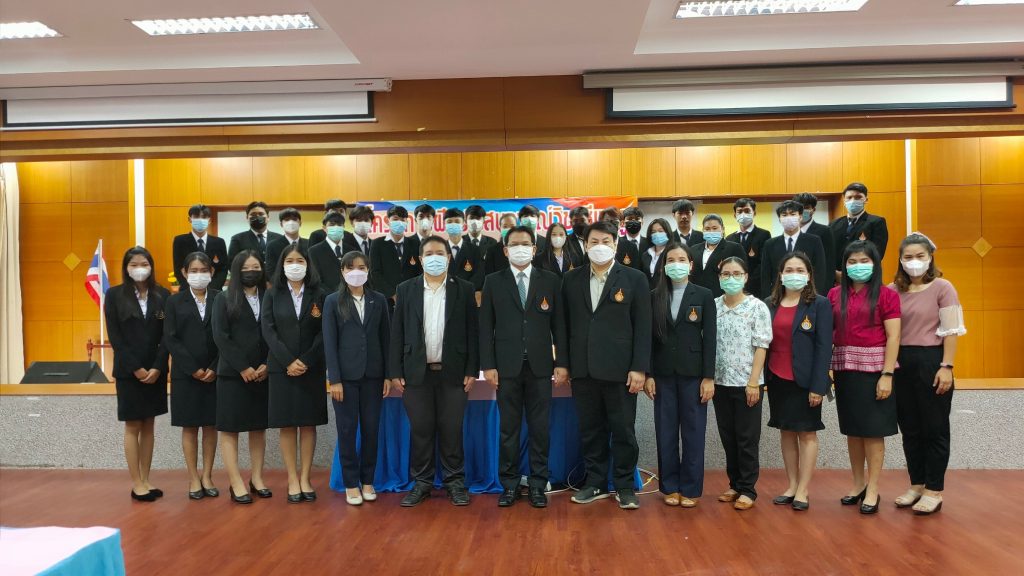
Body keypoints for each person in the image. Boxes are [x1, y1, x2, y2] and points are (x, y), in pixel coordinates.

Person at [562, 221, 652, 510]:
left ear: (615, 244)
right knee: (591, 430)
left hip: (621, 370)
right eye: (594, 242)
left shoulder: (635, 278)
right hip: (583, 369)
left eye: (605, 241)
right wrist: (564, 364)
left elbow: (643, 326)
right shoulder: (571, 279)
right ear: (585, 245)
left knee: (623, 431)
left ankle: (624, 486)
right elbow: (564, 326)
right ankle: (596, 482)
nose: (599, 246)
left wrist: (639, 367)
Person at [480, 226, 569, 509]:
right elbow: (485, 327)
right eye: (514, 244)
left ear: (534, 249)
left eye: (525, 244)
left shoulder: (550, 280)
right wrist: (488, 365)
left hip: (541, 367)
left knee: (540, 429)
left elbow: (560, 326)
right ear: (506, 250)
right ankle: (508, 485)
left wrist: (562, 363)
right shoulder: (493, 281)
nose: (520, 248)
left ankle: (538, 484)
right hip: (506, 367)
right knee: (508, 430)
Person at [389, 236, 479, 507]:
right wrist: (395, 370)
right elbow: (397, 332)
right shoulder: (406, 289)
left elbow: (473, 332)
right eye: (429, 253)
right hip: (416, 372)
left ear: (449, 258)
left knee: (452, 429)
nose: (434, 257)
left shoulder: (464, 288)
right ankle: (422, 483)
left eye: (440, 253)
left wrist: (472, 369)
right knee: (421, 429)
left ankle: (455, 482)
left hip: (454, 371)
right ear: (420, 258)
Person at [890, 233, 965, 515]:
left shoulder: (943, 287)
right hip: (900, 362)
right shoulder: (892, 290)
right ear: (900, 260)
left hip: (931, 361)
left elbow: (951, 330)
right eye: (908, 257)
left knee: (934, 428)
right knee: (910, 428)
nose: (914, 261)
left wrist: (947, 366)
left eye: (920, 256)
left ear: (930, 257)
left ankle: (934, 489)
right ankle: (917, 484)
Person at [829, 240, 901, 515]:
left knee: (872, 431)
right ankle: (858, 483)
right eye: (852, 262)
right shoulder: (835, 294)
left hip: (875, 371)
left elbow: (894, 336)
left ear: (875, 264)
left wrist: (887, 374)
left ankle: (873, 487)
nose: (857, 266)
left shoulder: (887, 295)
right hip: (845, 369)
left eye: (864, 261)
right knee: (853, 430)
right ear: (844, 266)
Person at [646, 242, 716, 509]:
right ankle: (670, 486)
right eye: (671, 260)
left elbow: (710, 338)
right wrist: (649, 374)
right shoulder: (654, 295)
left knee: (693, 433)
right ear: (664, 266)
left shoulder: (704, 295)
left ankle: (690, 488)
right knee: (665, 433)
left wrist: (708, 377)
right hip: (662, 374)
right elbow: (648, 339)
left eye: (681, 259)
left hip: (694, 375)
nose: (676, 264)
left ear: (690, 264)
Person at [765, 252, 833, 512]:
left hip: (806, 381)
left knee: (806, 433)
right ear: (781, 275)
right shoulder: (769, 303)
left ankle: (803, 489)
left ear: (809, 275)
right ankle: (792, 485)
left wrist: (819, 385)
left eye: (800, 270)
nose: (794, 274)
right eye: (789, 270)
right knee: (786, 431)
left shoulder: (819, 304)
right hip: (777, 377)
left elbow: (824, 347)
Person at [323, 251, 391, 506]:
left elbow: (386, 339)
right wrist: (334, 379)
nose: (356, 272)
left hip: (374, 376)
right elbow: (330, 342)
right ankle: (351, 483)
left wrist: (388, 375)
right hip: (345, 379)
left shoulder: (378, 300)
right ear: (342, 271)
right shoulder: (332, 301)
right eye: (350, 267)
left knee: (372, 430)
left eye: (361, 267)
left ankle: (368, 481)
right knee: (347, 430)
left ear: (368, 270)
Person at [262, 243, 327, 504]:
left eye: (300, 261)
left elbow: (324, 331)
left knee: (308, 424)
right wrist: (288, 360)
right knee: (287, 425)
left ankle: (306, 478)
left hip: (311, 368)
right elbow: (268, 330)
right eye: (290, 261)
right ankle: (292, 478)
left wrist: (306, 360)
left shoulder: (319, 294)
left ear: (308, 265)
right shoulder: (272, 293)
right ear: (282, 265)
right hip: (282, 368)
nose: (295, 265)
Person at [105, 246, 170, 502]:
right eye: (134, 264)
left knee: (149, 425)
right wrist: (136, 368)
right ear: (126, 268)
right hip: (128, 371)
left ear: (151, 266)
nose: (139, 269)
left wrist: (157, 366)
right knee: (133, 426)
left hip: (155, 371)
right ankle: (136, 483)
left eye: (144, 264)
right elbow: (116, 337)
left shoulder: (162, 295)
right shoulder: (114, 295)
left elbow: (167, 335)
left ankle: (146, 478)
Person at [211, 250, 270, 504]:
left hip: (263, 373)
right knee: (230, 429)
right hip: (233, 375)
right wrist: (243, 367)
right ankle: (236, 482)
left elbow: (275, 332)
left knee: (258, 428)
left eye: (256, 267)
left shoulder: (269, 296)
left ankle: (257, 478)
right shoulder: (224, 298)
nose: (251, 272)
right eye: (246, 268)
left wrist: (267, 364)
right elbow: (220, 336)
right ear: (236, 271)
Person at [713, 256, 772, 511]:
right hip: (719, 382)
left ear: (746, 277)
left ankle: (748, 488)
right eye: (726, 274)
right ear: (719, 278)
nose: (731, 278)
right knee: (728, 436)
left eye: (736, 273)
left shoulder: (757, 307)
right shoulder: (713, 306)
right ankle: (734, 484)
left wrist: (753, 382)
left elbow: (761, 346)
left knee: (747, 438)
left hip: (747, 382)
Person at [164, 251, 220, 500]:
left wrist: (215, 367)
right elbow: (171, 338)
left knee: (210, 426)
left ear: (212, 272)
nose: (199, 275)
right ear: (184, 273)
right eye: (194, 271)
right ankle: (193, 477)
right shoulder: (174, 301)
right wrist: (193, 368)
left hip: (214, 373)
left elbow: (225, 335)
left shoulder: (220, 298)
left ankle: (207, 475)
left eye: (204, 270)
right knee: (189, 427)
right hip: (186, 375)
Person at [761, 201, 829, 298]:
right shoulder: (770, 244)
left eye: (793, 214)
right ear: (779, 219)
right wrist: (768, 298)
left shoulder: (814, 241)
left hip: (807, 295)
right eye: (784, 215)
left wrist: (815, 296)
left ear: (800, 217)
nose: (788, 218)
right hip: (778, 295)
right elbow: (765, 276)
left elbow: (820, 271)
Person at [829, 182, 889, 282]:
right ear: (844, 200)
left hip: (865, 277)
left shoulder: (876, 222)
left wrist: (854, 272)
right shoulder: (833, 224)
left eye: (858, 197)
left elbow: (877, 253)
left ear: (866, 199)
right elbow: (828, 252)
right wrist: (834, 273)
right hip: (837, 279)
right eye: (849, 197)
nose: (853, 200)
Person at [369, 206, 421, 308]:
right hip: (385, 300)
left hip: (411, 298)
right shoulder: (377, 244)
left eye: (403, 220)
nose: (399, 222)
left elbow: (419, 271)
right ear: (387, 221)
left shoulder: (415, 243)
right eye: (395, 219)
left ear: (407, 222)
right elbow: (375, 272)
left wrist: (410, 292)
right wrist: (393, 294)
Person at [172, 203, 228, 291]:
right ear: (189, 219)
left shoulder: (219, 242)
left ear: (209, 220)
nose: (200, 220)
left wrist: (211, 289)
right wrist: (192, 290)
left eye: (204, 217)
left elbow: (223, 269)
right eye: (196, 217)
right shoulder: (180, 241)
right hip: (188, 290)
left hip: (214, 291)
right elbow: (178, 268)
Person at [690, 214, 746, 297]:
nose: (711, 231)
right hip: (697, 296)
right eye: (707, 229)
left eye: (714, 228)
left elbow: (741, 274)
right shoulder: (694, 249)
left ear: (722, 229)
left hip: (723, 296)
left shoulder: (734, 248)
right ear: (703, 230)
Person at [726, 198, 770, 300]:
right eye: (740, 211)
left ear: (754, 213)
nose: (743, 214)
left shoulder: (764, 235)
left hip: (756, 287)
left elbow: (763, 263)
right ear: (735, 215)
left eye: (747, 211)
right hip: (734, 286)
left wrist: (746, 280)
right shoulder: (729, 238)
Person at [793, 193, 836, 290]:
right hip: (793, 283)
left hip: (815, 285)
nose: (802, 211)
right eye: (799, 207)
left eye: (806, 207)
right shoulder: (790, 231)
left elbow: (829, 263)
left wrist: (824, 289)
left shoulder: (824, 231)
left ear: (813, 210)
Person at [443, 208, 485, 300]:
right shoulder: (440, 249)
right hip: (445, 296)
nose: (453, 224)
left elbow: (479, 275)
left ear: (464, 224)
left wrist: (465, 289)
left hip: (468, 296)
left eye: (457, 221)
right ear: (444, 225)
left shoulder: (475, 249)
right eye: (449, 222)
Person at [227, 201, 283, 269]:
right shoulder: (237, 239)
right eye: (253, 214)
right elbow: (232, 264)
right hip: (249, 275)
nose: (257, 217)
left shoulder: (279, 238)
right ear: (247, 218)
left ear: (268, 217)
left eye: (261, 214)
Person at [308, 211, 348, 293]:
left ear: (343, 227)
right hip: (325, 297)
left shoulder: (352, 250)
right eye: (332, 225)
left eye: (339, 225)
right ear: (324, 228)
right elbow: (315, 279)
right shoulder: (314, 251)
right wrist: (332, 296)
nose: (336, 227)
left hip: (349, 295)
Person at [266, 207, 309, 274]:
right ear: (281, 224)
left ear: (300, 223)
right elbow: (270, 271)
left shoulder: (310, 244)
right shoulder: (272, 246)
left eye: (294, 219)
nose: (291, 222)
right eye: (287, 220)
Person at [601, 207, 642, 272]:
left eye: (614, 221)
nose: (611, 224)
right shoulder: (595, 245)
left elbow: (635, 272)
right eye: (607, 221)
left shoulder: (631, 247)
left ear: (621, 223)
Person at [640, 218, 673, 289]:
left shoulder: (672, 252)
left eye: (660, 231)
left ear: (668, 232)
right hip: (648, 292)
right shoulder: (646, 254)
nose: (657, 234)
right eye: (653, 232)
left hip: (666, 291)